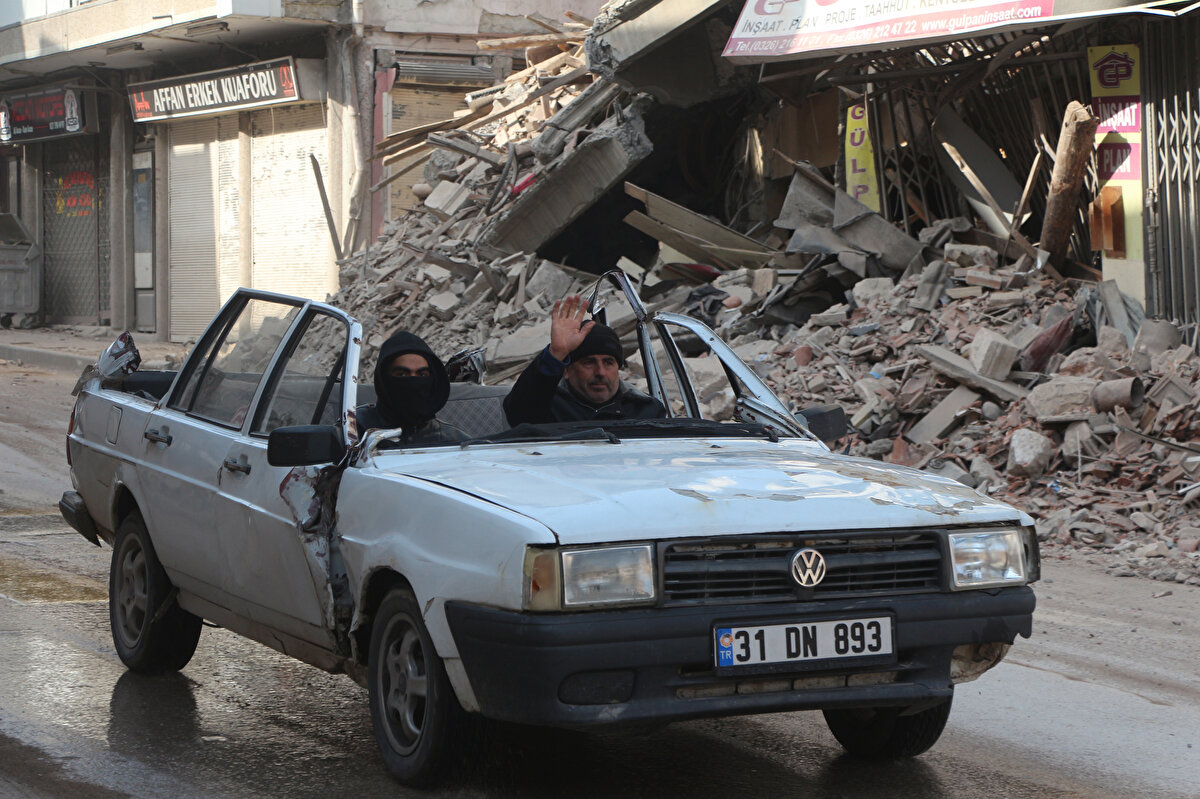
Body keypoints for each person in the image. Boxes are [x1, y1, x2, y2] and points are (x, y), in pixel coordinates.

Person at [503, 294, 666, 426]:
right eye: (589, 362)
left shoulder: (646, 410)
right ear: (566, 370)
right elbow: (519, 410)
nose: (600, 372)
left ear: (619, 370)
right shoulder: (548, 406)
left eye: (608, 363)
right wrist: (556, 354)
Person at [356, 331, 466, 444]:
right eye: (402, 374)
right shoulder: (353, 431)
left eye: (422, 375)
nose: (413, 382)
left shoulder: (453, 441)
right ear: (383, 379)